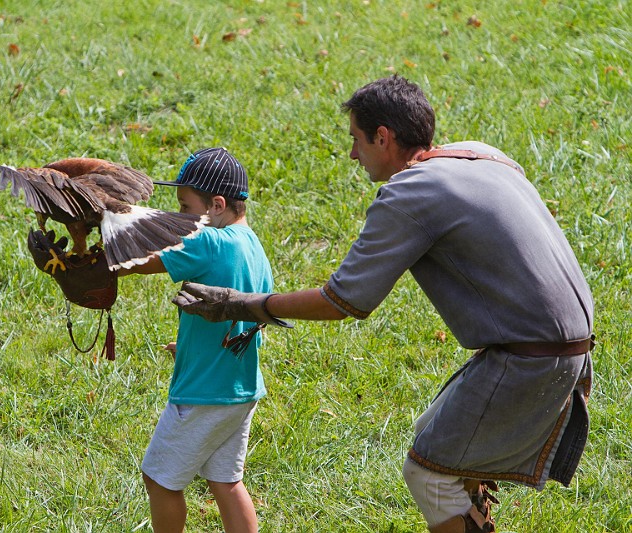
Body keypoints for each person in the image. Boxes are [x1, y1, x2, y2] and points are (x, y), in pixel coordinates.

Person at [171, 76, 594, 532]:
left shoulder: (410, 192)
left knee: (429, 473)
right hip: (565, 344)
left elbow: (343, 300)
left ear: (383, 137)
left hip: (533, 358)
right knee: (432, 435)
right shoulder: (482, 154)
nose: (353, 153)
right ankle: (471, 509)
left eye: (356, 140)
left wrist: (242, 304)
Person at [120, 147, 276, 533]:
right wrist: (192, 349)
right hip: (240, 389)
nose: (179, 217)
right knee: (225, 481)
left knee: (158, 479)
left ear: (216, 204)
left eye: (184, 207)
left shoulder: (209, 241)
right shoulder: (252, 245)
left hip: (204, 393)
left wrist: (102, 245)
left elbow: (140, 261)